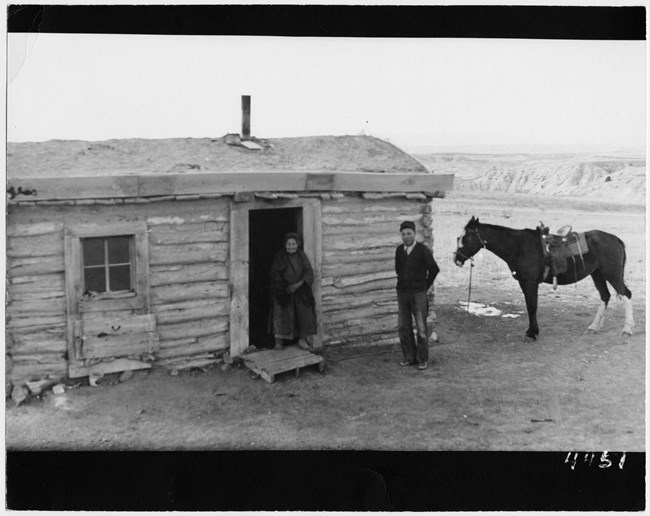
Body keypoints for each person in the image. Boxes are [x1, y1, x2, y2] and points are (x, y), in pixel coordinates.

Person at [395, 220, 440, 370]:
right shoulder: (399, 251)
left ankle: (422, 359)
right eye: (403, 234)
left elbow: (434, 269)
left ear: (414, 234)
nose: (406, 236)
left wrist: (424, 286)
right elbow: (398, 270)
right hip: (402, 293)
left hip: (419, 294)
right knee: (403, 326)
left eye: (409, 233)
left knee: (421, 327)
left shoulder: (422, 250)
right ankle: (409, 357)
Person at [268, 232, 317, 351]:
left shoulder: (302, 256)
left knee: (303, 314)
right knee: (281, 315)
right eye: (289, 244)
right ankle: (279, 342)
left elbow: (309, 273)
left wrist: (298, 285)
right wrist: (285, 286)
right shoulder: (279, 257)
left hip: (300, 291)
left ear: (297, 244)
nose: (291, 246)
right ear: (285, 245)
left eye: (293, 244)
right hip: (283, 291)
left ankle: (302, 340)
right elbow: (274, 273)